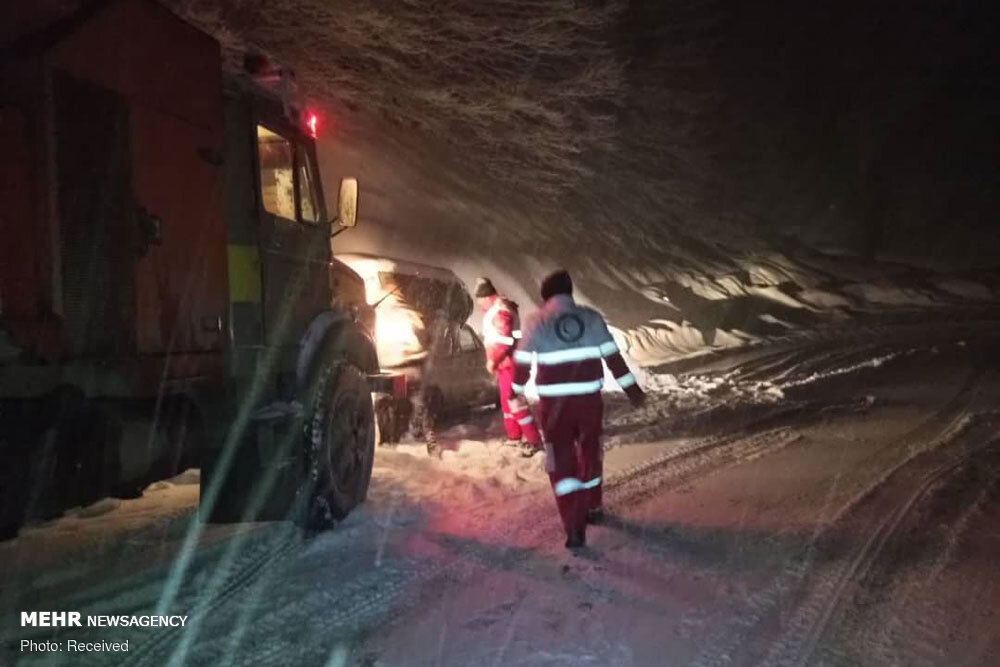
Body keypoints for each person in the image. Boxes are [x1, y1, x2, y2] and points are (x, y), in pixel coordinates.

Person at [512, 269, 645, 549]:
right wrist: (632, 390)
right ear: (569, 293)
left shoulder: (536, 322)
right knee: (589, 452)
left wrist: (516, 390)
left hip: (554, 407)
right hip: (588, 402)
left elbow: (521, 362)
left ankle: (573, 523)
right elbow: (613, 358)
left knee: (560, 462)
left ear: (546, 296)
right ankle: (593, 505)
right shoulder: (591, 318)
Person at [474, 277, 542, 456]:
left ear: (487, 297)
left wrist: (492, 360)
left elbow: (504, 340)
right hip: (507, 364)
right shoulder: (500, 309)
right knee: (507, 401)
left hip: (510, 363)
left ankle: (534, 440)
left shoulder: (500, 312)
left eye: (480, 300)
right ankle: (514, 436)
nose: (479, 305)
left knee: (515, 401)